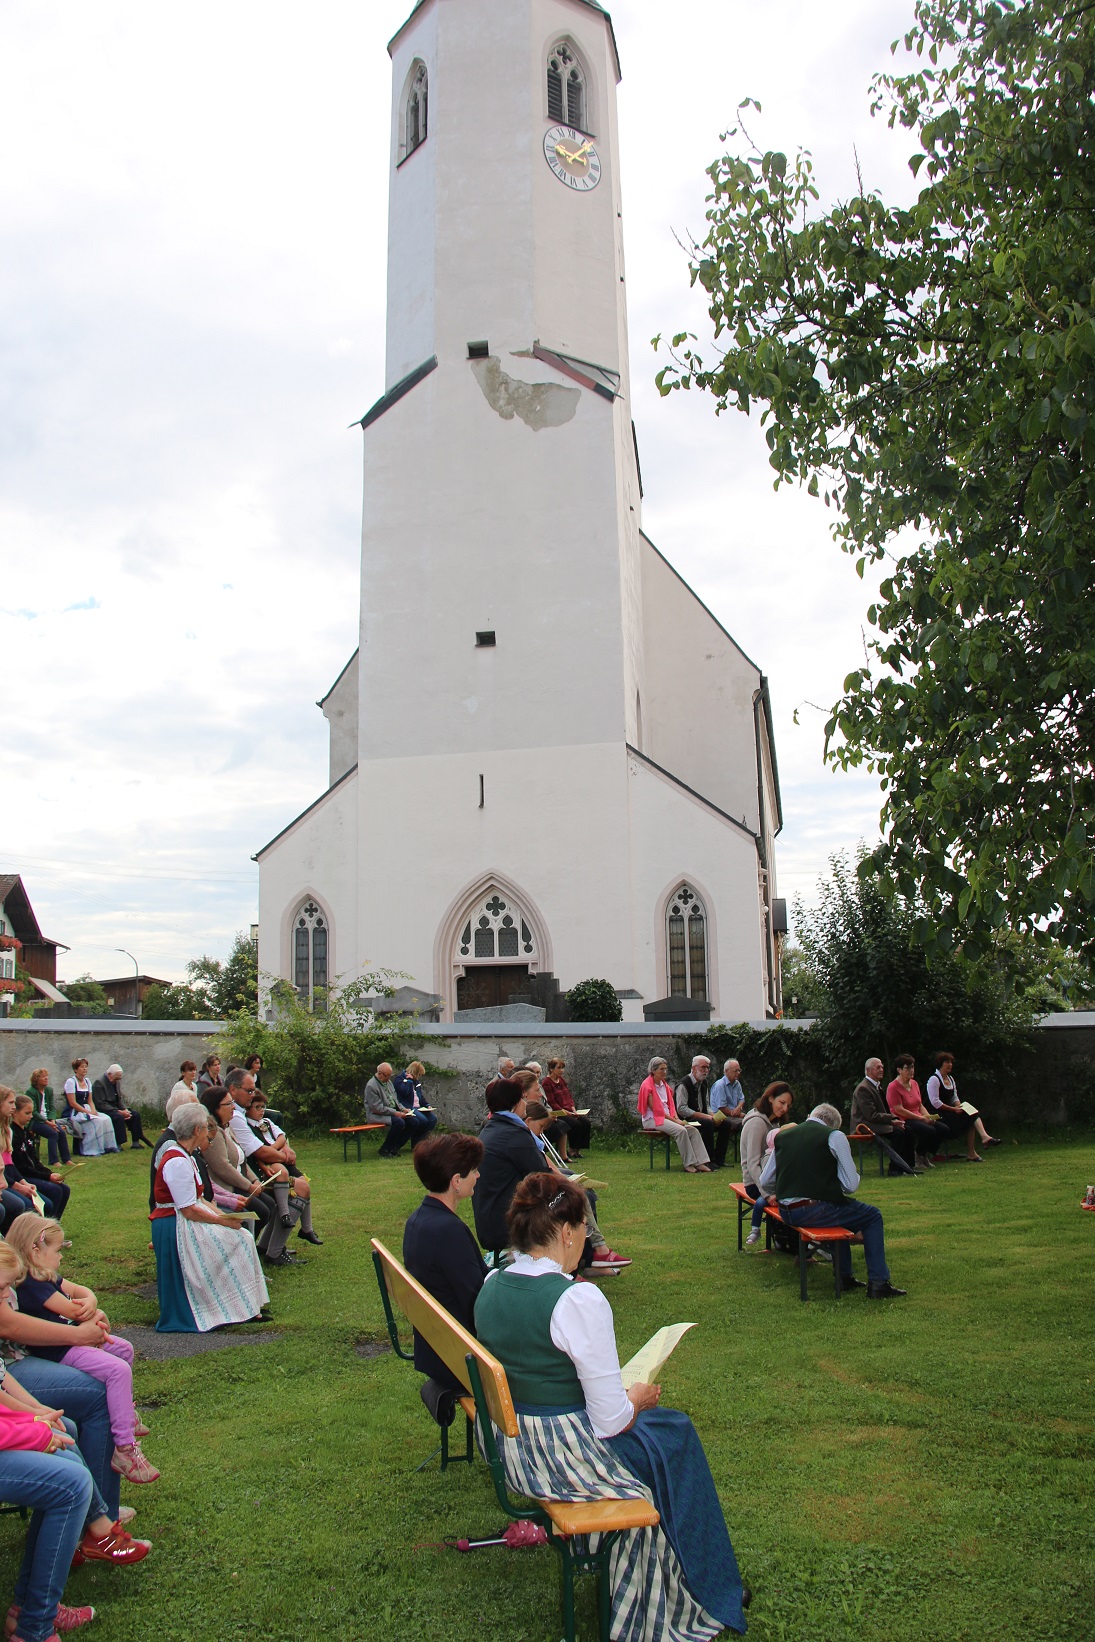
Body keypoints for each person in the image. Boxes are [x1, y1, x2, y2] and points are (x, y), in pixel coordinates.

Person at [474, 1173, 747, 1641]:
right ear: (565, 1232)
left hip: (509, 1447)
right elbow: (610, 1421)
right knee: (675, 1435)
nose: (586, 1239)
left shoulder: (493, 1283)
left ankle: (691, 1570)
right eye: (584, 1228)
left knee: (665, 1432)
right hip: (562, 1459)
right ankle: (708, 1584)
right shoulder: (577, 1299)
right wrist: (635, 1397)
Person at [5, 1215, 160, 1485]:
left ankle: (126, 1414)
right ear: (35, 1250)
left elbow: (79, 1293)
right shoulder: (30, 1284)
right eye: (58, 1250)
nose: (62, 1257)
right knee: (116, 1371)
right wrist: (88, 1318)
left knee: (123, 1349)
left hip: (67, 1340)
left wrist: (92, 1300)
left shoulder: (44, 1275)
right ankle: (125, 1448)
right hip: (56, 1350)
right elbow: (72, 1309)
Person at [758, 1102, 907, 1298]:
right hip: (812, 1210)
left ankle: (844, 1276)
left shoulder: (783, 1136)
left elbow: (765, 1180)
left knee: (840, 1212)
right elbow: (851, 1185)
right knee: (872, 1216)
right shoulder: (834, 1136)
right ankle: (879, 1282)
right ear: (832, 1125)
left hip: (786, 1212)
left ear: (813, 1115)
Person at [150, 1102, 269, 1332]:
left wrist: (226, 1219)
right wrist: (222, 1221)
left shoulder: (187, 1156)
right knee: (239, 1241)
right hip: (176, 1225)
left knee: (241, 1236)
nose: (208, 1131)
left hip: (185, 1219)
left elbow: (200, 1200)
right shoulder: (176, 1160)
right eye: (205, 1127)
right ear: (197, 1131)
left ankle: (241, 1306)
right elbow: (188, 1209)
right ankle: (222, 1306)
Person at [402, 1132, 488, 1398]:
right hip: (459, 1358)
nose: (478, 1176)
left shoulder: (419, 1219)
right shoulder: (447, 1230)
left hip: (437, 1347)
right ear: (456, 1181)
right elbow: (478, 1302)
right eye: (473, 1170)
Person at [523, 1098, 631, 1272]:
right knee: (578, 1194)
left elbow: (543, 1159)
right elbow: (540, 1167)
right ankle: (593, 1253)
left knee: (582, 1189)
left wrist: (564, 1178)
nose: (541, 1132)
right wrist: (564, 1181)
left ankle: (588, 1256)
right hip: (534, 1192)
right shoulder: (522, 1137)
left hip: (537, 1184)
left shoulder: (524, 1134)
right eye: (541, 1127)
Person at [197, 1086, 298, 1267]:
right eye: (229, 1104)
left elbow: (242, 1159)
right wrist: (248, 1185)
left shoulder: (228, 1128)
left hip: (239, 1183)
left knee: (270, 1205)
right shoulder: (215, 1134)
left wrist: (254, 1181)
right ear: (215, 1107)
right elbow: (222, 1168)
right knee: (261, 1210)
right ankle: (243, 1255)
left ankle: (258, 1250)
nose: (233, 1108)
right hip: (227, 1186)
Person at [233, 1082, 322, 1248]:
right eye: (257, 1107)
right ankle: (280, 1231)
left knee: (304, 1183)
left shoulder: (265, 1121)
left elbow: (281, 1136)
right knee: (290, 1180)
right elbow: (258, 1152)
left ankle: (300, 1230)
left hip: (276, 1158)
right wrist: (280, 1152)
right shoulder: (245, 1123)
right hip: (265, 1167)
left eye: (263, 1106)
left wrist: (285, 1148)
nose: (261, 1110)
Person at [472, 1078, 550, 1256]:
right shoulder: (513, 1133)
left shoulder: (493, 1128)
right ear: (514, 1104)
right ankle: (578, 1263)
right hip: (507, 1222)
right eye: (522, 1099)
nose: (525, 1103)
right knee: (574, 1199)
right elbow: (542, 1175)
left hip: (491, 1216)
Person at [637, 1059, 710, 1172]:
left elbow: (671, 1105)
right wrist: (676, 1122)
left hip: (666, 1118)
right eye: (662, 1069)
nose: (665, 1071)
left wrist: (676, 1118)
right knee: (681, 1131)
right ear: (653, 1070)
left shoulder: (664, 1085)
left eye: (666, 1069)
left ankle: (701, 1162)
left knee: (693, 1130)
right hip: (652, 1119)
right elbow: (657, 1111)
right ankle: (688, 1163)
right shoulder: (647, 1086)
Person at [850, 1057, 919, 1176]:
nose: (882, 1069)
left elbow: (883, 1111)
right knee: (898, 1133)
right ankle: (895, 1169)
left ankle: (908, 1166)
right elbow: (871, 1115)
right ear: (868, 1070)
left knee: (907, 1129)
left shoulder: (876, 1086)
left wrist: (894, 1119)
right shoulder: (863, 1088)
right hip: (865, 1125)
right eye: (878, 1067)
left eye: (882, 1067)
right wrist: (892, 1122)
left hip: (876, 1122)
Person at [926, 1052, 1000, 1159]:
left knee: (971, 1114)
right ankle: (981, 1142)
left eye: (951, 1062)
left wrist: (960, 1106)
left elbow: (954, 1097)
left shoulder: (950, 1079)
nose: (950, 1064)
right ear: (940, 1064)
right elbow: (935, 1102)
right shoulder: (934, 1080)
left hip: (950, 1112)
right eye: (947, 1062)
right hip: (937, 1114)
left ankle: (978, 1145)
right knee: (969, 1118)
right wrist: (954, 1109)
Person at [11, 1096, 71, 1222]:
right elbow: (21, 1167)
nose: (31, 1116)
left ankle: (55, 1226)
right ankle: (46, 1229)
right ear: (15, 1113)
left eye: (32, 1113)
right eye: (27, 1113)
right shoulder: (13, 1135)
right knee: (54, 1190)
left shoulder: (27, 1133)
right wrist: (47, 1177)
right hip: (22, 1177)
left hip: (32, 1173)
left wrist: (50, 1174)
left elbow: (35, 1160)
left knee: (64, 1189)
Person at [886, 1056, 947, 1167]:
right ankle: (918, 1155)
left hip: (918, 1116)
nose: (911, 1071)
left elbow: (919, 1104)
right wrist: (921, 1118)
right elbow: (899, 1109)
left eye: (912, 1068)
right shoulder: (893, 1087)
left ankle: (924, 1153)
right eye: (907, 1068)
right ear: (899, 1070)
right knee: (928, 1130)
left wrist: (928, 1116)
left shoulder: (914, 1083)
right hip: (905, 1118)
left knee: (942, 1129)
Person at [364, 1063, 425, 1157]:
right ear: (379, 1073)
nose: (389, 1078)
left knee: (414, 1122)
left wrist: (404, 1110)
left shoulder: (388, 1082)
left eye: (390, 1076)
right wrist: (396, 1113)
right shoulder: (371, 1086)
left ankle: (395, 1147)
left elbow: (395, 1100)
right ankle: (384, 1149)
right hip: (377, 1115)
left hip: (391, 1112)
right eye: (387, 1076)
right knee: (399, 1122)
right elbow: (377, 1108)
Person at [61, 1061, 117, 1157]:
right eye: (82, 1067)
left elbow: (90, 1100)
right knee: (97, 1122)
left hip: (86, 1108)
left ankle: (107, 1146)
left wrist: (93, 1110)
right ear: (75, 1069)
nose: (84, 1069)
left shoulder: (87, 1081)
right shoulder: (71, 1082)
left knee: (106, 1119)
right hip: (75, 1111)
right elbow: (72, 1103)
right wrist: (87, 1112)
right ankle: (90, 1149)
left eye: (86, 1067)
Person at [675, 1056, 722, 1167]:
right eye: (703, 1067)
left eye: (707, 1068)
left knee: (725, 1124)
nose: (706, 1070)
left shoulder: (704, 1083)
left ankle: (719, 1159)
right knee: (708, 1124)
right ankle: (708, 1160)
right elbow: (681, 1109)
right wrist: (705, 1117)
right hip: (686, 1120)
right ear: (694, 1068)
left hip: (701, 1118)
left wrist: (713, 1115)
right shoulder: (683, 1084)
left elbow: (707, 1104)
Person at [541, 1058, 592, 1158]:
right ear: (551, 1069)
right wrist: (568, 1113)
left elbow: (568, 1096)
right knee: (575, 1124)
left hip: (569, 1110)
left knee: (586, 1122)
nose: (561, 1070)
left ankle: (578, 1149)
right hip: (558, 1112)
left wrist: (573, 1109)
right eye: (558, 1068)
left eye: (562, 1068)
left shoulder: (562, 1081)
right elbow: (552, 1102)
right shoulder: (547, 1083)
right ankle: (572, 1149)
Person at [91, 1065, 149, 1150]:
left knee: (135, 1115)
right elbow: (101, 1104)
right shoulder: (99, 1083)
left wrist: (125, 1110)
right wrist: (118, 1112)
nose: (116, 1081)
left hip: (116, 1109)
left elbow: (119, 1099)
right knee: (118, 1118)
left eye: (118, 1079)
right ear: (109, 1074)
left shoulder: (116, 1082)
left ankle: (135, 1143)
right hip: (105, 1110)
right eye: (115, 1078)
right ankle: (118, 1144)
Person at [23, 1071, 71, 1168]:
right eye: (43, 1077)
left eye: (47, 1076)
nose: (46, 1078)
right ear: (36, 1080)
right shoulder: (31, 1092)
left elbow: (52, 1108)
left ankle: (66, 1159)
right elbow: (34, 1111)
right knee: (52, 1133)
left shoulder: (49, 1090)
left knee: (61, 1132)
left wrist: (52, 1120)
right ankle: (53, 1161)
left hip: (48, 1121)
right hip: (35, 1121)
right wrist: (48, 1123)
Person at [708, 1059, 746, 1169]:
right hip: (721, 1116)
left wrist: (739, 1108)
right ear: (726, 1071)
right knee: (743, 1123)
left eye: (739, 1070)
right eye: (735, 1071)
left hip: (733, 1114)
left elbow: (742, 1098)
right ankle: (743, 1155)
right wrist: (737, 1114)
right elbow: (721, 1107)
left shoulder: (737, 1084)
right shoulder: (720, 1085)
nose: (738, 1073)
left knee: (751, 1119)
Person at [392, 1062, 437, 1137]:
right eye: (419, 1074)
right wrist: (409, 1081)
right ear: (414, 1072)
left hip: (418, 1107)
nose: (419, 1077)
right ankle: (416, 1142)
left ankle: (423, 1139)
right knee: (423, 1120)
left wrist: (427, 1105)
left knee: (433, 1119)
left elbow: (420, 1096)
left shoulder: (416, 1081)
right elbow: (405, 1092)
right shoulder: (399, 1079)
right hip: (408, 1107)